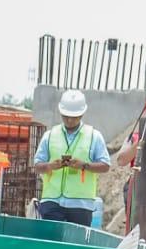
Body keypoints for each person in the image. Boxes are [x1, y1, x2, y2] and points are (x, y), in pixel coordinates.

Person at [32, 89, 110, 225]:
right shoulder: (50, 135)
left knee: (75, 244)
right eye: (66, 116)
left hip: (81, 204)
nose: (69, 120)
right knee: (51, 243)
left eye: (74, 116)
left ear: (82, 113)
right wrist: (50, 166)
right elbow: (38, 166)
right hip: (52, 202)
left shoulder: (94, 136)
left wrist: (84, 165)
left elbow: (105, 165)